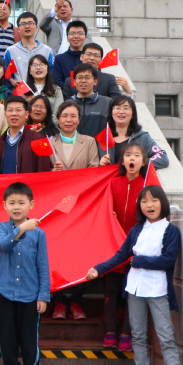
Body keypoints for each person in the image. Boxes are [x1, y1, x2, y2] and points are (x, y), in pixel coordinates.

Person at [86, 185, 183, 365]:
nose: (149, 205)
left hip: (158, 289)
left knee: (166, 337)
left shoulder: (171, 231)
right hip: (135, 289)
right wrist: (99, 269)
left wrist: (139, 261)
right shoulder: (137, 229)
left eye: (154, 200)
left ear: (162, 203)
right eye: (144, 201)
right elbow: (121, 255)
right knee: (137, 335)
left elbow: (168, 260)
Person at [101, 141, 161, 350]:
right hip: (113, 246)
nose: (132, 158)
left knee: (132, 291)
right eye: (128, 155)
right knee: (111, 290)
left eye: (136, 155)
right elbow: (105, 210)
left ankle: (127, 332)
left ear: (143, 162)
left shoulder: (147, 187)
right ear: (122, 161)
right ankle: (110, 332)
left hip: (137, 248)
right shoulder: (113, 183)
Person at [47, 101, 101, 321]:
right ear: (58, 120)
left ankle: (77, 300)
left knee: (80, 254)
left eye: (73, 116)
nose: (68, 120)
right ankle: (59, 301)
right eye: (64, 116)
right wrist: (53, 171)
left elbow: (95, 170)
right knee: (57, 254)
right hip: (57, 209)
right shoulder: (49, 143)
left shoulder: (89, 142)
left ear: (79, 120)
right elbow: (41, 174)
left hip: (82, 207)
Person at [0, 182, 49, 365]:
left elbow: (43, 265)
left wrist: (43, 296)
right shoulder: (0, 227)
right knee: (7, 337)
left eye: (21, 202)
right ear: (4, 205)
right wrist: (21, 229)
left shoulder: (39, 233)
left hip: (30, 294)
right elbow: (4, 245)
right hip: (5, 292)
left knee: (29, 338)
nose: (16, 207)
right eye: (12, 203)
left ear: (31, 204)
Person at [100, 95, 169, 170]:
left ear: (132, 114)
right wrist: (100, 164)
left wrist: (139, 163)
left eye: (126, 108)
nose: (121, 112)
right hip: (110, 177)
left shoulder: (142, 137)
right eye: (117, 108)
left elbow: (162, 157)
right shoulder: (103, 138)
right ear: (112, 112)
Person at [0, 97, 52, 174]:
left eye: (18, 110)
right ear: (5, 115)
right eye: (10, 110)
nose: (14, 114)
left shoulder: (40, 140)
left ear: (26, 114)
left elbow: (45, 171)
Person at [60, 43, 131, 100]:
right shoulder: (70, 80)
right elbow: (66, 102)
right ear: (81, 56)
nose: (92, 58)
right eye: (89, 54)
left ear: (101, 60)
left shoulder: (109, 79)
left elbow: (116, 101)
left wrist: (128, 92)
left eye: (96, 55)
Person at [5, 12, 54, 87]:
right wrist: (12, 81)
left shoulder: (47, 50)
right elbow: (6, 74)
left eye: (30, 23)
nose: (27, 26)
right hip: (20, 92)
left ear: (36, 27)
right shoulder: (11, 51)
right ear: (18, 29)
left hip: (42, 92)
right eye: (23, 24)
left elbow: (51, 73)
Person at [70, 64, 113, 139]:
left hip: (99, 146)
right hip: (74, 145)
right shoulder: (68, 104)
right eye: (80, 77)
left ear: (95, 81)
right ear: (74, 81)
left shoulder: (107, 103)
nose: (83, 81)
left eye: (87, 77)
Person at [51, 20, 90, 86]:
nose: (76, 36)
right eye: (72, 33)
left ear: (85, 38)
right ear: (67, 38)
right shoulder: (60, 59)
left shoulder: (90, 58)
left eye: (80, 33)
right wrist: (69, 90)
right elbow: (57, 80)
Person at [25, 55, 63, 121]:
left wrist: (46, 125)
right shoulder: (24, 90)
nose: (38, 67)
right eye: (35, 65)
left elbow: (58, 113)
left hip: (50, 126)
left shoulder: (56, 90)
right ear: (30, 71)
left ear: (47, 70)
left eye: (42, 65)